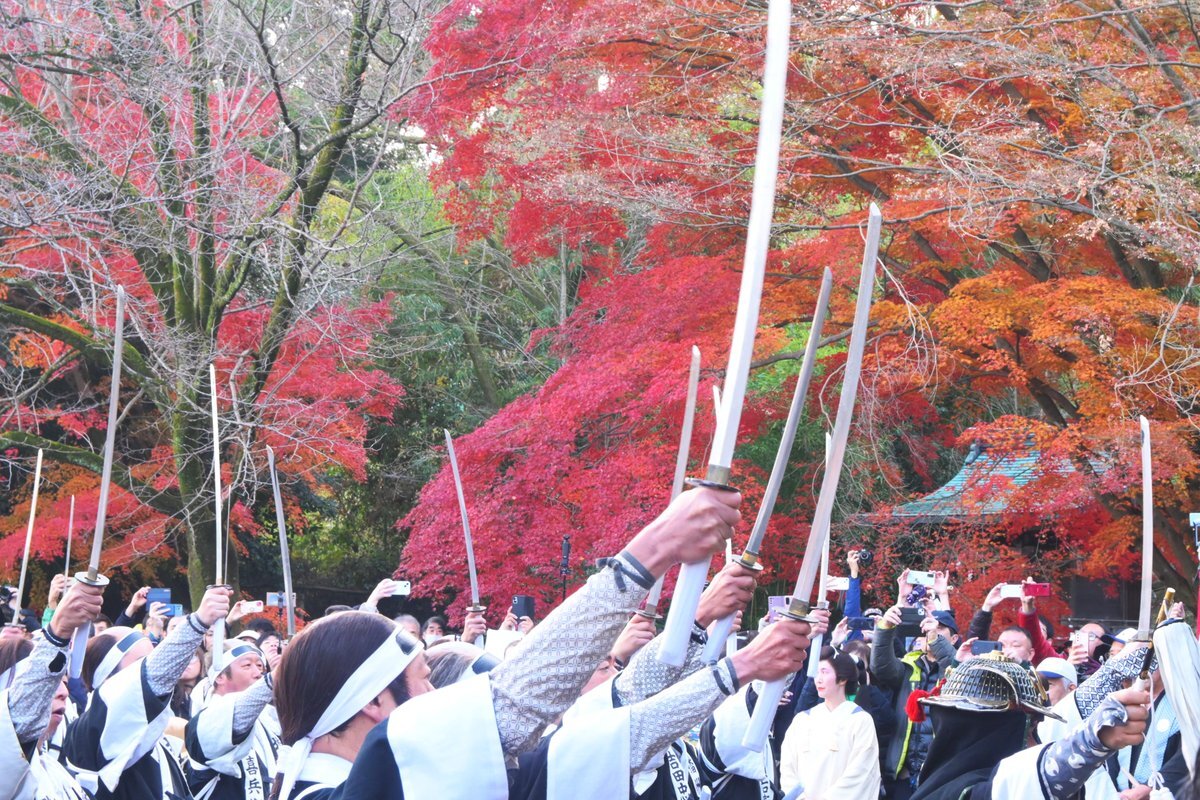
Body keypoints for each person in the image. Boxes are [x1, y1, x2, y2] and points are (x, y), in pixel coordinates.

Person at [64, 584, 232, 800]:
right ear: (108, 678)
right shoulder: (90, 730)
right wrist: (199, 621)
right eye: (141, 663)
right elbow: (151, 676)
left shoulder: (155, 738)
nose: (160, 671)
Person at [911, 652, 1150, 799]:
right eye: (1030, 726)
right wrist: (1094, 740)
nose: (1035, 741)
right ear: (995, 732)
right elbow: (1024, 782)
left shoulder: (940, 779)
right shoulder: (965, 792)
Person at [0, 578, 104, 800]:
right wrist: (59, 630)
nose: (62, 693)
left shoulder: (56, 771)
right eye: (48, 685)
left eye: (63, 683)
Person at [871, 604, 955, 800]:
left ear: (955, 638)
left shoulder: (958, 670)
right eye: (927, 626)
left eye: (939, 627)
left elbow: (954, 669)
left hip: (940, 775)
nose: (930, 630)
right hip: (903, 773)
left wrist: (936, 641)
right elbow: (880, 667)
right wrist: (885, 627)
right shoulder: (907, 667)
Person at [779, 647, 880, 799]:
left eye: (825, 672)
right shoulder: (803, 720)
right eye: (817, 672)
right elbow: (788, 769)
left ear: (843, 678)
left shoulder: (860, 720)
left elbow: (861, 773)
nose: (818, 679)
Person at [185, 640, 281, 800]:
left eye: (260, 666)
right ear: (220, 676)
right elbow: (238, 714)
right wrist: (273, 679)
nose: (258, 673)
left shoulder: (269, 719)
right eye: (247, 665)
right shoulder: (208, 720)